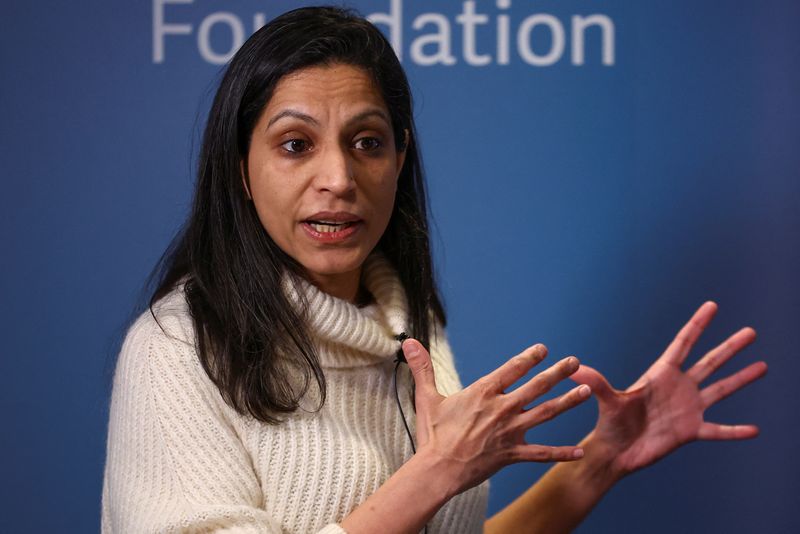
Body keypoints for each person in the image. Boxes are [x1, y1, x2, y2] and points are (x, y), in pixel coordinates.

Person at [101, 6, 767, 534]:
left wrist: (598, 464)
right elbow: (427, 489)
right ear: (241, 168)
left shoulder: (408, 327)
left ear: (400, 157)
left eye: (367, 142)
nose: (337, 178)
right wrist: (436, 473)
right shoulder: (178, 348)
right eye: (295, 145)